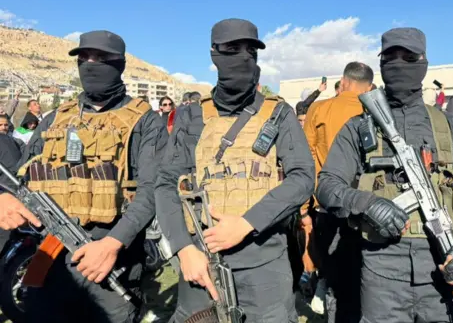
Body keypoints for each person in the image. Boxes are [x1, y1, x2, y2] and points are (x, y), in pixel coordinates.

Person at [316, 27, 453, 322]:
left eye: (409, 57)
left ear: (424, 62)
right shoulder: (358, 128)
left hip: (446, 266)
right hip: (380, 272)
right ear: (380, 64)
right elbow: (328, 185)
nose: (399, 63)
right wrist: (365, 203)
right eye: (390, 57)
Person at [155, 18, 315, 323]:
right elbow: (165, 185)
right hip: (201, 261)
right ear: (214, 55)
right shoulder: (190, 116)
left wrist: (246, 223)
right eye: (232, 49)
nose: (242, 57)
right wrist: (183, 248)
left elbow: (303, 178)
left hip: (265, 263)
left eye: (250, 50)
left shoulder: (279, 113)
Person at [0, 30, 167, 322]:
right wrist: (5, 198)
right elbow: (21, 174)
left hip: (110, 261)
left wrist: (113, 243)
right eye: (84, 58)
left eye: (101, 58)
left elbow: (152, 189)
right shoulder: (55, 118)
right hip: (49, 258)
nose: (91, 64)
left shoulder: (144, 120)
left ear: (120, 65)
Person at [302, 61, 374, 321]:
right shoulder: (377, 111)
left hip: (329, 205)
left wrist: (304, 209)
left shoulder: (320, 108)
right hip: (371, 208)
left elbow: (306, 160)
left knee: (336, 280)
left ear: (343, 83)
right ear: (370, 86)